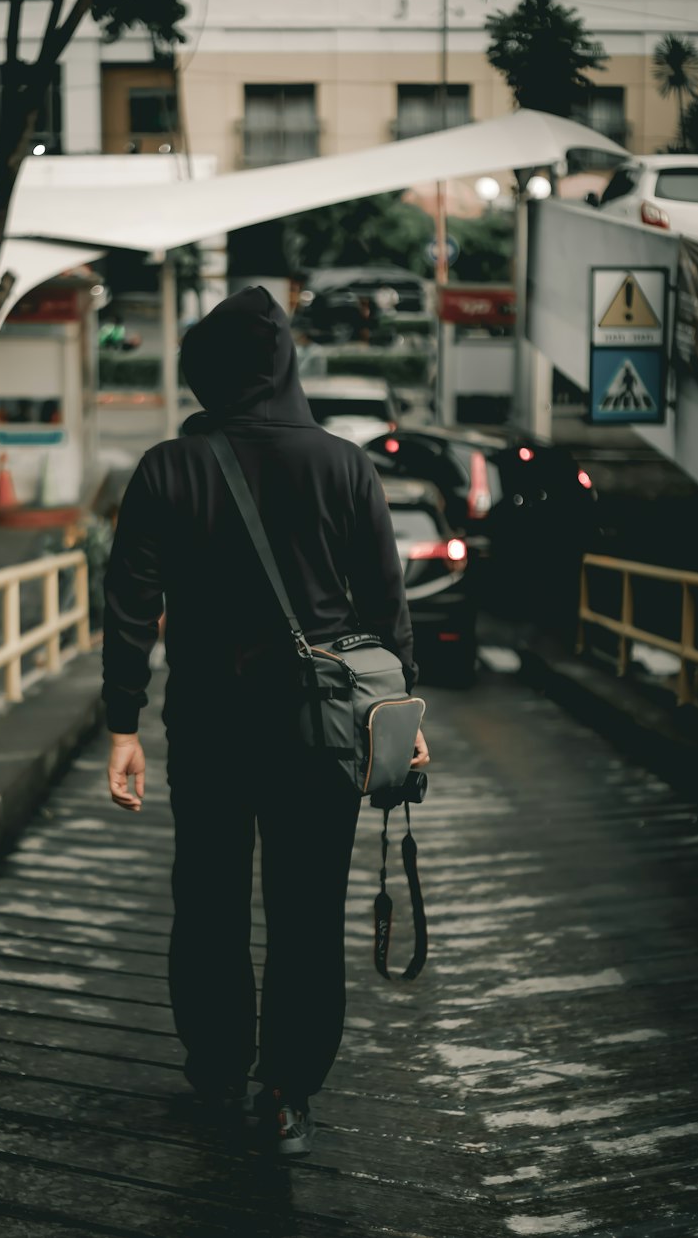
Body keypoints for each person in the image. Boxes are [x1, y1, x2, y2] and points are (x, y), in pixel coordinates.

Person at [102, 286, 428, 1156]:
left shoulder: (167, 468)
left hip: (207, 725)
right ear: (286, 368)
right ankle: (287, 1091)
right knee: (308, 913)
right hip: (322, 733)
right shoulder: (344, 465)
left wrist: (121, 724)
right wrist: (405, 714)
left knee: (206, 901)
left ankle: (214, 1069)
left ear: (205, 371)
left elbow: (129, 603)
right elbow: (388, 608)